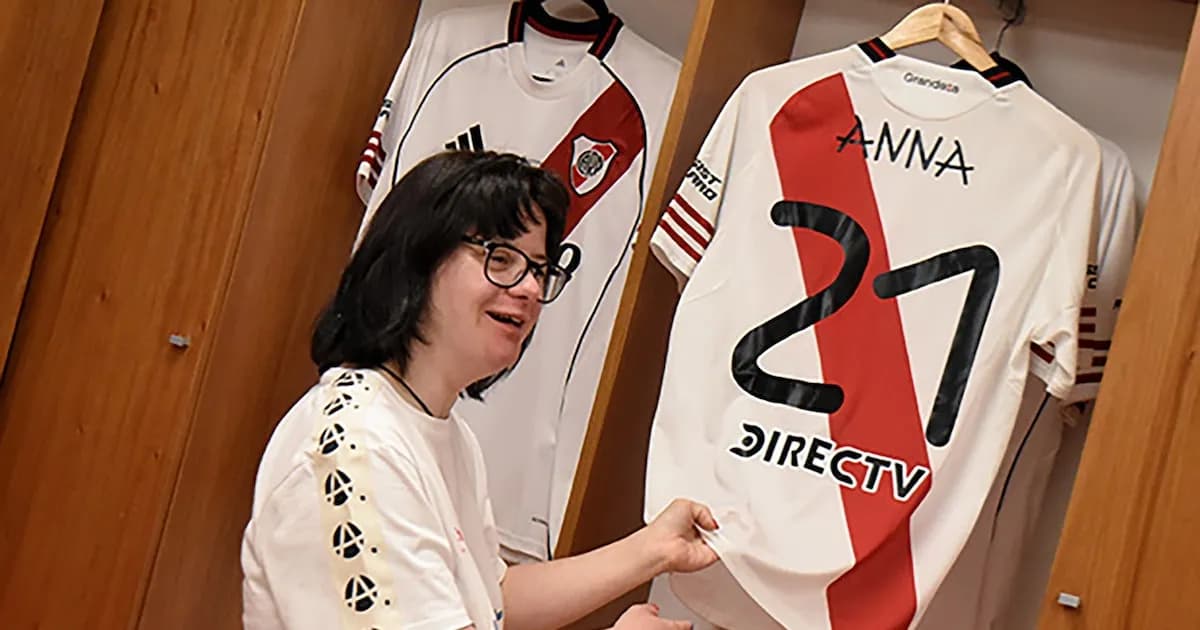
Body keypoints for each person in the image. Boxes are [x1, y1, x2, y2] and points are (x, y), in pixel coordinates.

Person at [241, 150, 718, 630]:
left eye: (538, 267)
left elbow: (493, 598)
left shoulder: (444, 434)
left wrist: (652, 549)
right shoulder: (355, 445)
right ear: (416, 260)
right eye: (501, 257)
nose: (530, 289)